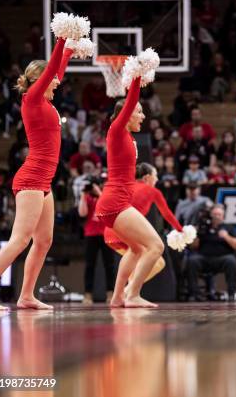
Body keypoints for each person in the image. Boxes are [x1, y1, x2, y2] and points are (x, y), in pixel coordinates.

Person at [0, 33, 74, 311]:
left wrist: (69, 50)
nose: (58, 81)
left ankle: (26, 295)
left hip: (44, 181)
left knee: (43, 241)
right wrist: (61, 40)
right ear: (40, 79)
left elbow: (56, 70)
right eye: (52, 78)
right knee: (20, 239)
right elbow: (51, 72)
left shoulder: (45, 101)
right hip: (32, 177)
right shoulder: (32, 99)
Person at [94, 75, 164, 308]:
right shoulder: (116, 129)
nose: (143, 116)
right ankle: (132, 294)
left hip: (115, 202)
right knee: (156, 247)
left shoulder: (126, 136)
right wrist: (136, 78)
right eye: (139, 112)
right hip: (115, 203)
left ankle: (117, 297)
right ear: (127, 113)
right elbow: (132, 99)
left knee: (136, 249)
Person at [103, 162, 184, 284]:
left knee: (138, 262)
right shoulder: (152, 191)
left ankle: (126, 292)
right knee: (159, 262)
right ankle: (129, 291)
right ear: (147, 177)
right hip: (125, 234)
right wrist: (180, 230)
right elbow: (166, 214)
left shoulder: (125, 187)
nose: (157, 179)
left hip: (109, 234)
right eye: (155, 175)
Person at [186, 204, 236, 301]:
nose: (216, 216)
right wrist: (195, 234)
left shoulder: (228, 228)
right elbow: (193, 246)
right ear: (211, 215)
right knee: (192, 260)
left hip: (221, 259)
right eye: (214, 214)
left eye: (219, 214)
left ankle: (231, 294)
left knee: (231, 260)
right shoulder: (203, 227)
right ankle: (194, 294)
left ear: (223, 216)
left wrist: (226, 237)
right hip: (204, 258)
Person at [78, 178, 114, 305]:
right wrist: (83, 195)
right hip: (91, 234)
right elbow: (82, 213)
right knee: (89, 266)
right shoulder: (87, 197)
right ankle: (88, 295)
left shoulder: (105, 195)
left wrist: (99, 192)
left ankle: (111, 294)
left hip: (106, 234)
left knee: (109, 265)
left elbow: (109, 208)